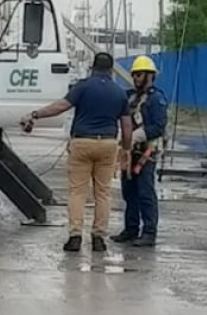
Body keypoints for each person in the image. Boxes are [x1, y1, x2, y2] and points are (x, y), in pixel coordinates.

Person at [20, 52, 133, 253]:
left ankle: (75, 236)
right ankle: (99, 238)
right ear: (110, 70)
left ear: (92, 68)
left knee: (77, 192)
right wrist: (125, 149)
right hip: (107, 144)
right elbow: (126, 126)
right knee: (103, 193)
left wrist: (35, 114)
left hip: (82, 142)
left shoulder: (83, 86)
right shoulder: (119, 93)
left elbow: (61, 106)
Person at [112, 55, 168, 248]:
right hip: (128, 152)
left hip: (146, 153)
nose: (136, 78)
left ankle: (149, 233)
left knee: (145, 192)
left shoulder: (156, 99)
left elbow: (159, 126)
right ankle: (131, 229)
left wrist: (136, 136)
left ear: (150, 76)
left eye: (140, 74)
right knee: (129, 193)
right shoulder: (130, 97)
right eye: (134, 74)